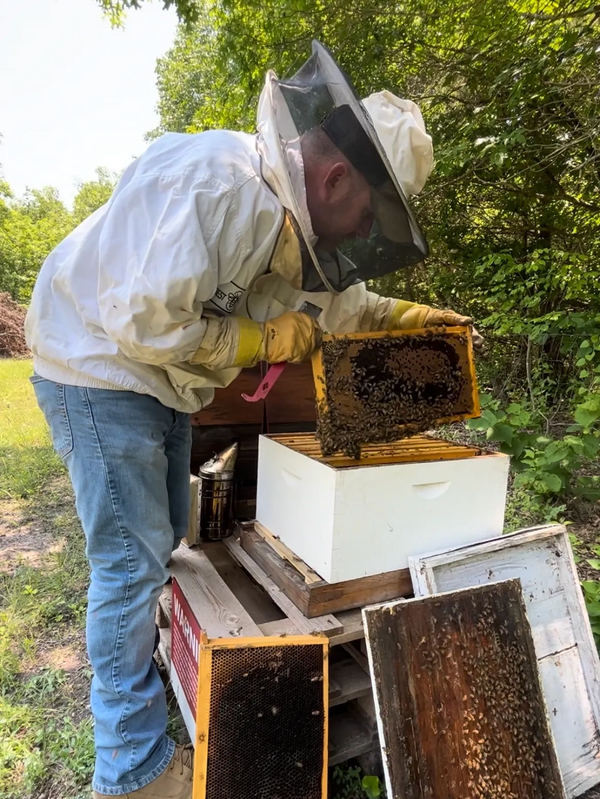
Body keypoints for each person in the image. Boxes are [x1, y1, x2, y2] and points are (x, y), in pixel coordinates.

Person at [25, 41, 480, 799]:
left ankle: (150, 667)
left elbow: (346, 307)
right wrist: (256, 340)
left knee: (166, 532)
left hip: (161, 384)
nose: (363, 235)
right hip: (96, 365)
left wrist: (414, 316)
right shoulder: (219, 185)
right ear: (336, 177)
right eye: (367, 214)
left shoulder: (300, 227)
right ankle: (130, 770)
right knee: (129, 563)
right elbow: (135, 316)